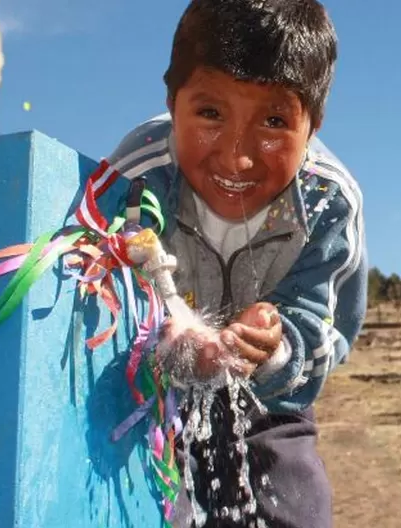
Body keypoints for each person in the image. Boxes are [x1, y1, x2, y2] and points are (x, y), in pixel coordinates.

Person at [106, 1, 366, 526]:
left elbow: (321, 332)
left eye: (273, 121)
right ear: (171, 101)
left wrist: (272, 350)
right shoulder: (135, 179)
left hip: (268, 406)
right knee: (132, 504)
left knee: (292, 508)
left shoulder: (327, 205)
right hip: (149, 393)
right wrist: (166, 340)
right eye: (209, 114)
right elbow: (105, 290)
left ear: (312, 126)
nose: (236, 157)